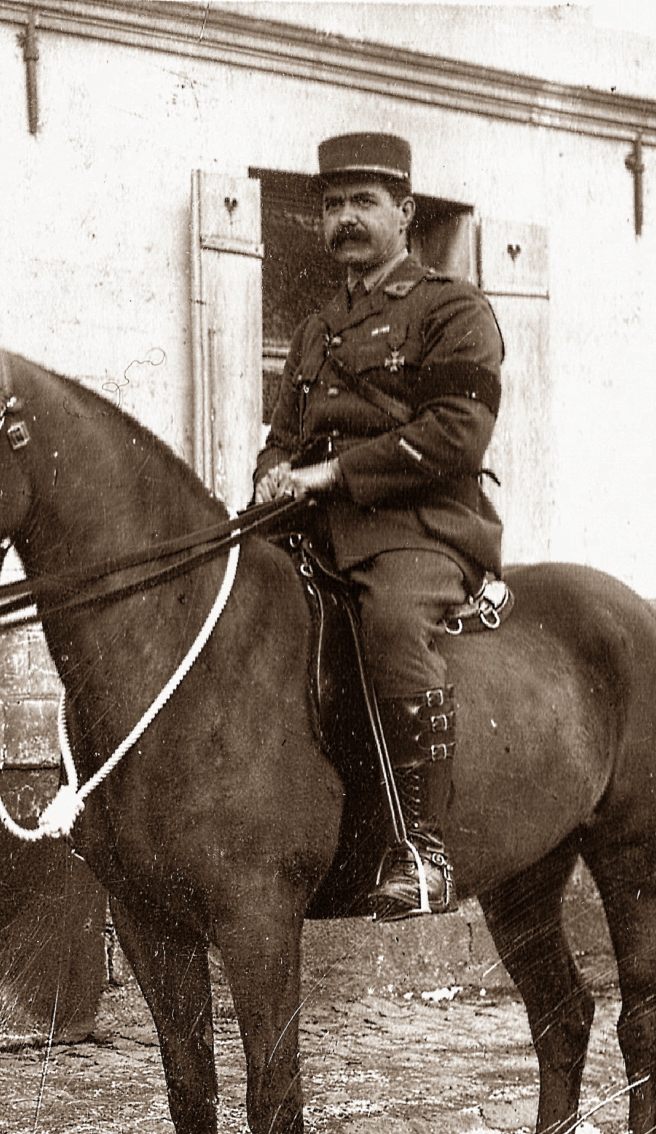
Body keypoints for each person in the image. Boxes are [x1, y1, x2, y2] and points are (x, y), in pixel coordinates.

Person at [254, 131, 504, 922]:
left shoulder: (451, 308)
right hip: (312, 531)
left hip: (418, 526)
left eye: (363, 203)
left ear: (404, 212)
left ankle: (423, 847)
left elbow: (457, 433)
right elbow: (284, 435)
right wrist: (271, 471)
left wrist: (331, 473)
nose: (345, 220)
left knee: (393, 626)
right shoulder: (315, 328)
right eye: (332, 206)